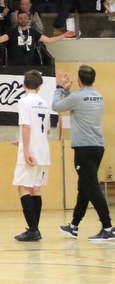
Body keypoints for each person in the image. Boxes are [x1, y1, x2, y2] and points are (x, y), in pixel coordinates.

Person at [54, 66, 113, 242]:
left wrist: (59, 88)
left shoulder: (77, 98)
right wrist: (69, 92)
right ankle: (73, 226)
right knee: (84, 187)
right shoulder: (98, 96)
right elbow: (78, 102)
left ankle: (108, 227)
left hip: (84, 149)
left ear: (79, 80)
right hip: (97, 147)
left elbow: (56, 105)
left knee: (91, 187)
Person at [13, 70, 52, 242]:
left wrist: (26, 149)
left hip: (31, 150)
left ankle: (33, 230)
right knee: (36, 188)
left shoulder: (24, 101)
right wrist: (21, 141)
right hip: (44, 149)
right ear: (40, 86)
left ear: (23, 85)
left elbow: (27, 126)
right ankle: (34, 229)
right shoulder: (44, 102)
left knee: (23, 187)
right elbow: (46, 129)